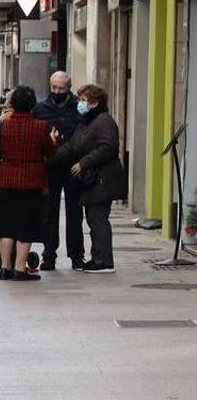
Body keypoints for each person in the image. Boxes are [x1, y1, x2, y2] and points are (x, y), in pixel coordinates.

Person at [0, 86, 56, 281]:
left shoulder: (1, 126)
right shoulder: (42, 127)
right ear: (33, 105)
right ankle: (19, 268)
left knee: (6, 224)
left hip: (6, 181)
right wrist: (53, 140)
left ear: (12, 104)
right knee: (27, 224)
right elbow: (51, 153)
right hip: (32, 183)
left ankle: (5, 267)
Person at [51, 84, 126, 274]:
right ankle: (97, 257)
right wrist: (49, 158)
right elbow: (72, 147)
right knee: (93, 219)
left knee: (98, 219)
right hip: (93, 181)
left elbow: (108, 147)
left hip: (103, 179)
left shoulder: (103, 121)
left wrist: (84, 163)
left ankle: (104, 260)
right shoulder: (86, 122)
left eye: (84, 100)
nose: (80, 103)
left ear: (94, 102)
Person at [33, 71, 85, 271]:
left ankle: (77, 255)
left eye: (61, 88)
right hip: (50, 168)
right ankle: (49, 254)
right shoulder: (40, 109)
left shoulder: (78, 107)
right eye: (53, 87)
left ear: (68, 88)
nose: (56, 91)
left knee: (74, 213)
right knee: (49, 213)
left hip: (73, 167)